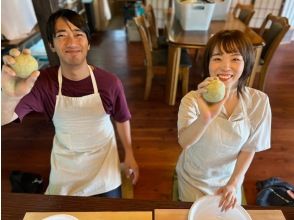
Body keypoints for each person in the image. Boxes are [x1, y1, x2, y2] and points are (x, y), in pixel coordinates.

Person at [1, 9, 139, 198]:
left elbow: (122, 117)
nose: (72, 42)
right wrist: (10, 95)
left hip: (104, 167)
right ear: (51, 45)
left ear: (88, 43)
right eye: (62, 35)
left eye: (78, 34)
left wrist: (129, 153)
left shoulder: (109, 82)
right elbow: (4, 117)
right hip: (65, 169)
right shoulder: (43, 83)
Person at [176, 30, 271, 211]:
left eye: (235, 59)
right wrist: (206, 118)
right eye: (217, 58)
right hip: (193, 179)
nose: (225, 67)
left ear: (247, 64)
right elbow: (184, 142)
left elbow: (250, 147)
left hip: (230, 179)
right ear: (208, 64)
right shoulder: (191, 99)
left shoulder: (259, 102)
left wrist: (234, 182)